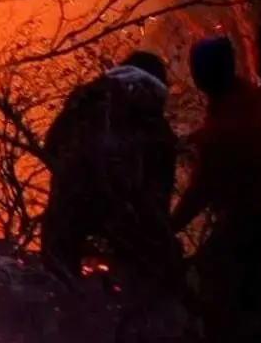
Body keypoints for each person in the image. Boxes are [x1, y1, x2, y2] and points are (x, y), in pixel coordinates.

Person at [39, 51, 180, 300]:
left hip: (71, 206)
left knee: (58, 263)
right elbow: (159, 192)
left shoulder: (84, 99)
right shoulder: (156, 126)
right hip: (125, 215)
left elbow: (51, 146)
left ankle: (60, 305)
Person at [172, 36, 261, 342]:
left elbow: (199, 193)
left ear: (200, 77)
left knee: (213, 283)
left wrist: (168, 227)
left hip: (253, 221)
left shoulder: (220, 136)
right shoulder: (256, 97)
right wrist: (193, 139)